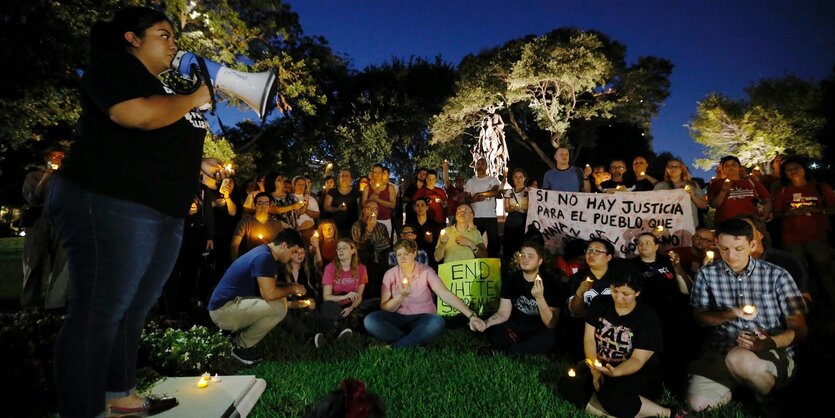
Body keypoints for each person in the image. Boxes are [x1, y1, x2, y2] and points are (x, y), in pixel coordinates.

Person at [44, 7, 216, 417]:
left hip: (161, 211)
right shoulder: (113, 69)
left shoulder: (161, 87)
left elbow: (156, 139)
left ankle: (118, 395)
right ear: (131, 38)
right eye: (163, 34)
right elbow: (132, 115)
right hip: (109, 200)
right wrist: (194, 98)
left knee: (135, 305)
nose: (174, 44)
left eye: (174, 36)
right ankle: (83, 409)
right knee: (102, 308)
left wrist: (197, 161)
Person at [685, 219, 808, 413]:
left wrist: (770, 343)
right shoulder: (706, 275)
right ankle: (740, 385)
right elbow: (700, 317)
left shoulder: (777, 275)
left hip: (770, 350)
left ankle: (766, 398)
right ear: (716, 243)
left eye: (739, 248)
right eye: (724, 248)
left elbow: (799, 328)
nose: (731, 255)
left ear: (752, 245)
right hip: (722, 347)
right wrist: (731, 313)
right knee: (698, 404)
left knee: (740, 359)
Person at [584, 273, 686, 418]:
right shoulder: (599, 303)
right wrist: (595, 371)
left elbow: (637, 360)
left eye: (625, 294)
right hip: (603, 367)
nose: (618, 298)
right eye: (614, 291)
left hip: (637, 373)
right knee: (569, 384)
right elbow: (589, 340)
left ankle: (669, 413)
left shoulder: (647, 317)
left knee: (611, 394)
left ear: (637, 292)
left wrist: (615, 373)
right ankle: (625, 413)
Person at [363, 239, 486, 348]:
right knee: (370, 320)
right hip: (398, 318)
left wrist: (471, 315)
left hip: (423, 318)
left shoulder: (426, 271)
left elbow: (444, 294)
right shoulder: (390, 274)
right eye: (399, 255)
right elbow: (385, 307)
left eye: (406, 254)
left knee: (437, 322)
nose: (402, 258)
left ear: (414, 253)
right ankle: (415, 340)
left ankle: (395, 346)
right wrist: (401, 297)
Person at [208, 229, 305, 365]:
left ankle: (235, 340)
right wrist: (293, 288)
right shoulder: (264, 257)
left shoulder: (265, 253)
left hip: (228, 306)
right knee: (279, 306)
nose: (293, 256)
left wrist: (290, 286)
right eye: (293, 251)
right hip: (223, 311)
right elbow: (269, 294)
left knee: (279, 302)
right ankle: (239, 346)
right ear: (283, 245)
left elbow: (270, 285)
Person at [773, 156, 835, 304]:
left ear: (804, 170)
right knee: (799, 271)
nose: (793, 171)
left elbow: (833, 208)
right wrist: (788, 213)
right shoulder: (782, 192)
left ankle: (831, 298)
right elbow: (777, 213)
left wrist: (817, 209)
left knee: (825, 267)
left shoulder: (820, 187)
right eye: (789, 169)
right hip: (792, 237)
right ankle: (805, 305)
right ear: (785, 173)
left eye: (797, 168)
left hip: (817, 235)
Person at [479, 244, 560, 355]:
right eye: (522, 255)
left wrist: (539, 298)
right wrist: (485, 324)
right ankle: (519, 349)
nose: (525, 259)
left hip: (538, 331)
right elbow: (503, 313)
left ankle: (508, 351)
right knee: (492, 324)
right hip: (515, 327)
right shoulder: (512, 279)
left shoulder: (551, 284)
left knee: (550, 337)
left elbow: (551, 324)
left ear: (540, 261)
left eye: (530, 256)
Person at [21, 146, 68, 309]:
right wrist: (46, 177)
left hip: (59, 221)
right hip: (38, 221)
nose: (57, 159)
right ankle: (29, 304)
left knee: (61, 263)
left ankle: (55, 304)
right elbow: (33, 198)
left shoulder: (67, 179)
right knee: (33, 261)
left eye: (60, 156)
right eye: (54, 156)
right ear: (46, 158)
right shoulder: (33, 176)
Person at [321, 238, 374, 341]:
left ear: (353, 250)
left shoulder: (361, 268)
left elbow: (359, 296)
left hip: (352, 304)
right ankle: (340, 330)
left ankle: (344, 327)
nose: (340, 250)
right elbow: (326, 297)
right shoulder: (330, 268)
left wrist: (351, 308)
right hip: (335, 304)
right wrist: (344, 297)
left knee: (372, 304)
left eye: (344, 248)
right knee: (326, 306)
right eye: (338, 248)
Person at [708, 155, 771, 223]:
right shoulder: (717, 184)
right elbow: (713, 205)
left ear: (739, 167)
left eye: (733, 164)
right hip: (727, 224)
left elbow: (767, 200)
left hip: (752, 223)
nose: (731, 167)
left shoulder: (752, 182)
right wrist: (723, 192)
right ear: (723, 169)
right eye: (727, 165)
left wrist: (764, 216)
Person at [352, 201, 391, 299]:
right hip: (365, 262)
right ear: (363, 210)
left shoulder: (382, 226)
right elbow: (359, 246)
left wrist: (374, 244)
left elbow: (387, 244)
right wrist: (369, 229)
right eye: (369, 208)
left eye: (375, 209)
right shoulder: (357, 226)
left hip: (381, 262)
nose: (373, 211)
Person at [230, 192, 285, 260]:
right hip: (250, 260)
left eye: (266, 203)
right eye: (260, 203)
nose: (263, 206)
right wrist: (235, 263)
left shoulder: (277, 224)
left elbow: (282, 246)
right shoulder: (246, 222)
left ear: (270, 205)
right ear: (254, 205)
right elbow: (235, 244)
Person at [653, 158, 708, 228]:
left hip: (689, 226)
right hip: (667, 226)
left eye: (676, 166)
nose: (673, 168)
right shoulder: (660, 186)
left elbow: (704, 206)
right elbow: (653, 206)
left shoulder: (693, 185)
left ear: (682, 169)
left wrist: (693, 196)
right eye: (671, 166)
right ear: (667, 169)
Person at [465, 157, 503, 257]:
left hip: (490, 216)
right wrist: (475, 199)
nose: (480, 166)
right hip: (475, 217)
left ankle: (494, 264)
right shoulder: (470, 182)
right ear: (475, 166)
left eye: (483, 164)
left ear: (486, 166)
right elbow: (466, 199)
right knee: (475, 241)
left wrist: (480, 194)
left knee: (493, 242)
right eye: (478, 164)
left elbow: (495, 191)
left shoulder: (493, 180)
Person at [362, 163, 397, 240]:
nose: (377, 175)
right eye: (375, 172)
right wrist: (373, 196)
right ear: (372, 173)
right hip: (370, 220)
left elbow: (393, 205)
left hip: (385, 220)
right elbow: (364, 205)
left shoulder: (390, 188)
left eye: (379, 172)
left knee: (386, 242)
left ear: (383, 173)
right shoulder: (367, 188)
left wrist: (377, 199)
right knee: (370, 242)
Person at [324, 169, 361, 238]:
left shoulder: (356, 192)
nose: (344, 178)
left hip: (352, 227)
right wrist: (338, 209)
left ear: (350, 179)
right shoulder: (332, 192)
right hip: (336, 228)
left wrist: (360, 224)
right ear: (339, 178)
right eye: (342, 176)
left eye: (347, 176)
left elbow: (360, 208)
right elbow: (326, 207)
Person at [502, 168, 530, 259]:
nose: (518, 179)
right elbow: (506, 208)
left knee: (522, 244)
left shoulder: (529, 192)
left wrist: (521, 208)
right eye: (516, 177)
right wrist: (513, 209)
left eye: (520, 177)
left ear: (524, 178)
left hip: (524, 221)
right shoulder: (508, 192)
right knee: (509, 244)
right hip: (512, 221)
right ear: (513, 179)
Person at [411, 198, 442, 269]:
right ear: (414, 208)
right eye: (417, 205)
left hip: (431, 258)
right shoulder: (411, 225)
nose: (420, 208)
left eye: (422, 205)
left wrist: (431, 241)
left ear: (427, 207)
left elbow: (439, 245)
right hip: (414, 259)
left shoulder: (435, 225)